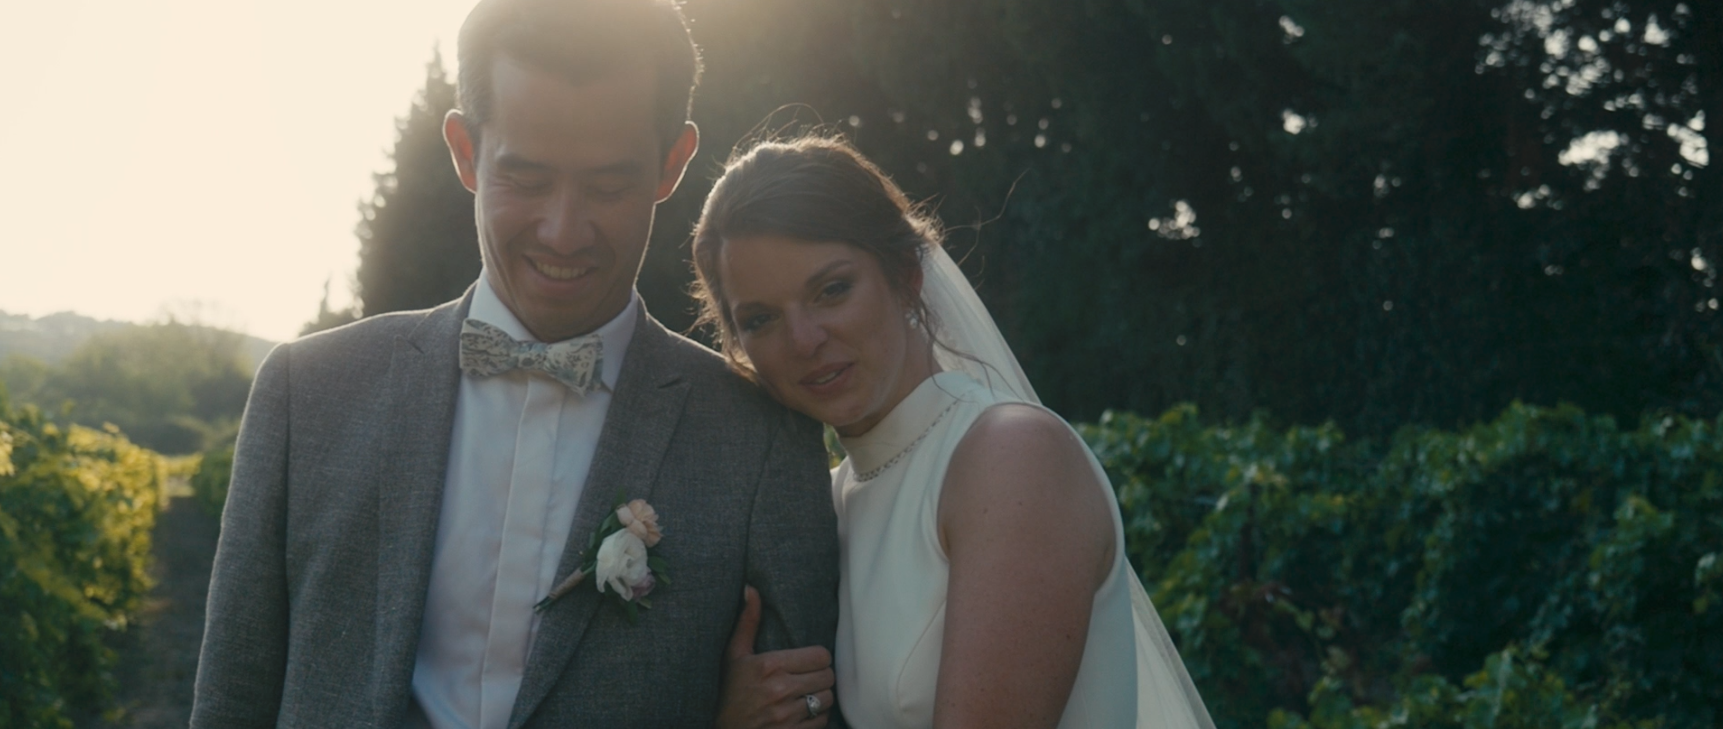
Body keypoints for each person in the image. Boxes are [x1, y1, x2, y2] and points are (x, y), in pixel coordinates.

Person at [191, 1, 841, 727]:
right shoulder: (304, 395)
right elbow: (230, 700)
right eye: (526, 180)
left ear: (671, 163)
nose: (562, 232)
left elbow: (806, 704)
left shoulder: (760, 440)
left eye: (606, 186)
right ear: (465, 151)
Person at [693, 136, 1217, 728]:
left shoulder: (1011, 457)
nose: (804, 340)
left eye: (832, 290)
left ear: (907, 276)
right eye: (760, 320)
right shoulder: (829, 502)